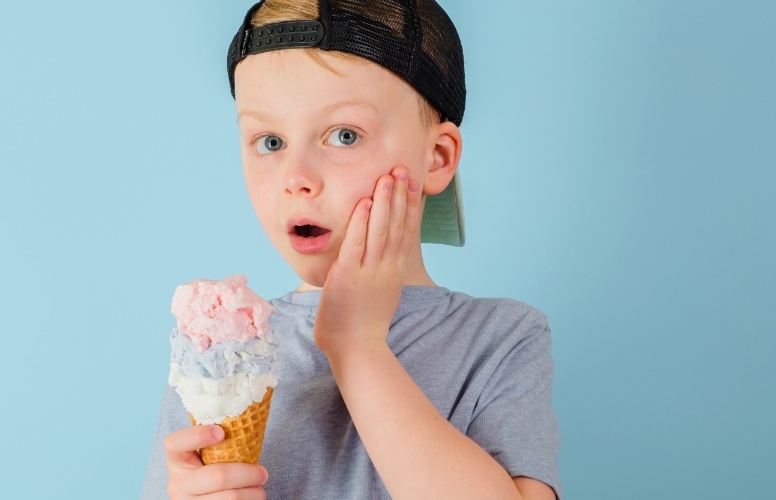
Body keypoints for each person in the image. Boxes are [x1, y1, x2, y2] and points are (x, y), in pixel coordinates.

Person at [142, 0, 561, 498]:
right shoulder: (216, 354)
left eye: (344, 136)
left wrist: (356, 343)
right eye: (269, 142)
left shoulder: (502, 340)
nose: (296, 179)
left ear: (437, 157)